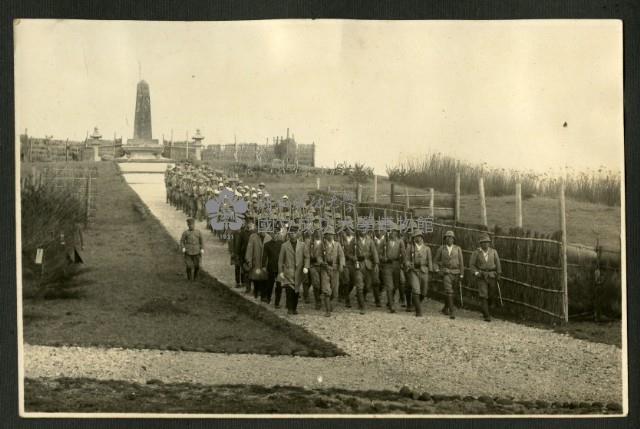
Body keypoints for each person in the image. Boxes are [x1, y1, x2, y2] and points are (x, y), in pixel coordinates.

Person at [469, 234, 502, 322]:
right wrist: (476, 273)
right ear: (480, 244)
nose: (485, 244)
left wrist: (498, 274)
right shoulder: (476, 253)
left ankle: (485, 310)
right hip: (482, 275)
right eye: (483, 243)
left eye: (487, 242)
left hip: (492, 275)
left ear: (489, 243)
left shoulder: (493, 252)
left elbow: (498, 263)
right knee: (483, 294)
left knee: (491, 294)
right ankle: (487, 315)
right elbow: (472, 265)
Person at [278, 225, 309, 314]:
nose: (292, 235)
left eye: (294, 233)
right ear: (288, 235)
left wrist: (306, 266)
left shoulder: (302, 245)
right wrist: (280, 272)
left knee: (296, 291)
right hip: (288, 272)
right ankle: (290, 309)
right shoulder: (284, 246)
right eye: (291, 233)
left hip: (299, 272)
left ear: (297, 234)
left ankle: (294, 308)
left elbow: (307, 257)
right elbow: (280, 261)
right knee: (289, 291)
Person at [433, 230, 465, 318]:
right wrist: (437, 270)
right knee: (449, 291)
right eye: (447, 237)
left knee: (452, 292)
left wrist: (461, 274)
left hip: (456, 273)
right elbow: (435, 262)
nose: (449, 239)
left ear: (454, 239)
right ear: (445, 239)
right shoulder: (441, 249)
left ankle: (445, 308)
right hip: (446, 273)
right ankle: (452, 312)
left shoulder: (458, 248)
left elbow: (461, 263)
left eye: (451, 237)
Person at [405, 230, 433, 317]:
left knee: (423, 292)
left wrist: (431, 271)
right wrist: (409, 264)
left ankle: (416, 304)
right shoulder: (410, 248)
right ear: (414, 238)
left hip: (424, 271)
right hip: (414, 271)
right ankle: (418, 311)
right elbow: (406, 260)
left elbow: (430, 261)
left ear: (422, 237)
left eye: (420, 236)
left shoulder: (427, 249)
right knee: (416, 290)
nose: (418, 238)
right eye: (416, 237)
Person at [352, 227, 379, 314]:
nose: (362, 231)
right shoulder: (354, 241)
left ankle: (362, 298)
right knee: (359, 285)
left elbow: (374, 252)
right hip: (358, 265)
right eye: (360, 229)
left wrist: (376, 263)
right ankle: (362, 306)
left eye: (364, 229)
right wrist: (354, 258)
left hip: (368, 265)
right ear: (358, 230)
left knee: (367, 286)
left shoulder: (370, 240)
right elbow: (348, 252)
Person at [381, 224, 406, 313]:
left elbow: (403, 254)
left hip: (396, 265)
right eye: (391, 231)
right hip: (387, 265)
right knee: (389, 286)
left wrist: (403, 263)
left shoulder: (400, 242)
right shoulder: (385, 242)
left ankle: (389, 301)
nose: (393, 233)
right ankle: (392, 305)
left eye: (395, 231)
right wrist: (382, 258)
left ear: (397, 233)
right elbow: (379, 253)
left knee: (395, 286)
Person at [321, 225, 345, 316]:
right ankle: (327, 311)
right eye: (328, 234)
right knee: (326, 290)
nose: (330, 236)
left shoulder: (337, 245)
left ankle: (330, 303)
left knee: (335, 292)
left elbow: (341, 256)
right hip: (325, 269)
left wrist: (341, 264)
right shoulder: (322, 245)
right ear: (325, 235)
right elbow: (318, 256)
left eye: (332, 234)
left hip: (335, 269)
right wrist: (321, 262)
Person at [245, 226, 271, 301]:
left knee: (265, 278)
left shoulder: (268, 237)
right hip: (255, 261)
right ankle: (256, 291)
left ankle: (263, 295)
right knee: (256, 278)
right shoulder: (253, 237)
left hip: (265, 262)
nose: (262, 231)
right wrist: (249, 260)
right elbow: (249, 249)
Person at [263, 229, 284, 305]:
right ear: (271, 234)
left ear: (278, 234)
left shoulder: (282, 244)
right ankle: (268, 298)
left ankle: (277, 303)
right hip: (271, 267)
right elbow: (264, 257)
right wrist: (263, 266)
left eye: (277, 233)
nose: (275, 235)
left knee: (279, 286)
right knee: (270, 284)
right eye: (274, 233)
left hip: (280, 268)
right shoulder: (267, 245)